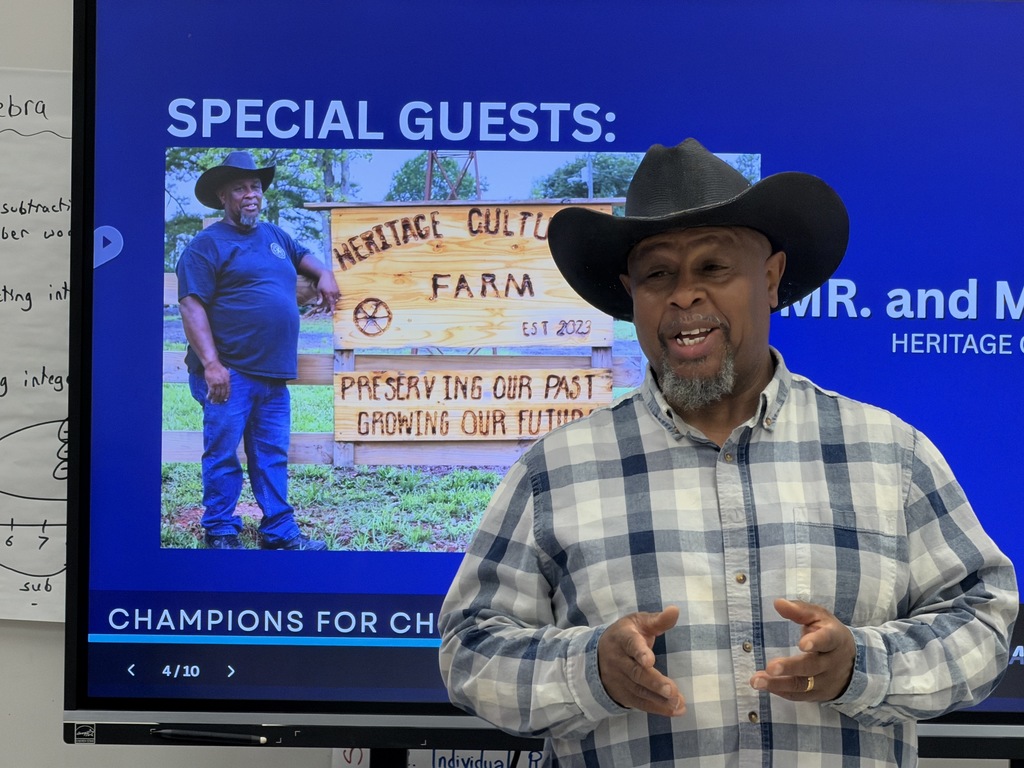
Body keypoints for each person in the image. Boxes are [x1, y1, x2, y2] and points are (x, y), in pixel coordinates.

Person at [438, 138, 1018, 765]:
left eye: (713, 267)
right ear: (631, 295)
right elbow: (470, 649)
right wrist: (590, 672)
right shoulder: (554, 470)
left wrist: (862, 668)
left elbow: (984, 619)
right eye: (658, 274)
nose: (685, 295)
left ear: (770, 279)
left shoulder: (888, 453)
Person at [176, 150, 340, 551]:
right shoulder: (206, 245)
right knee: (223, 454)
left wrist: (324, 273)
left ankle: (279, 532)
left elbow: (303, 256)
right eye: (240, 188)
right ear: (223, 197)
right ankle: (220, 530)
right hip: (229, 371)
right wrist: (212, 364)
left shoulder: (274, 236)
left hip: (272, 374)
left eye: (255, 187)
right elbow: (191, 305)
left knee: (271, 455)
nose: (251, 194)